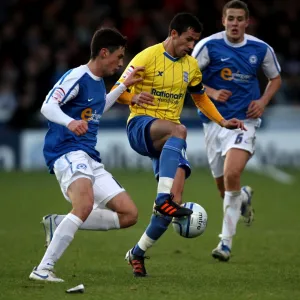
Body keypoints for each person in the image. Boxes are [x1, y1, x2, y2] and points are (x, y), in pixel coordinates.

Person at [113, 12, 246, 277]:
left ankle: (136, 254)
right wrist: (133, 97)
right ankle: (163, 199)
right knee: (180, 130)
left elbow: (200, 99)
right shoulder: (146, 57)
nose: (190, 46)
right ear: (173, 34)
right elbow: (118, 91)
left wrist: (222, 121)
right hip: (141, 127)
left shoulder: (191, 66)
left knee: (174, 202)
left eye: (195, 41)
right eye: (188, 39)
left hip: (169, 140)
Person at [29, 28, 147, 282]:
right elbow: (47, 105)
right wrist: (70, 122)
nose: (121, 62)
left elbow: (98, 107)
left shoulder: (96, 83)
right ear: (104, 53)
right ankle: (43, 268)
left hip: (89, 156)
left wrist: (125, 87)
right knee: (83, 205)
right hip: (67, 151)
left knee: (129, 215)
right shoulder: (76, 76)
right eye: (119, 56)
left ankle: (59, 223)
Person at [192, 0, 282, 262]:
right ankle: (242, 196)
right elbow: (187, 77)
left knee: (233, 173)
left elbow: (275, 79)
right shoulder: (208, 46)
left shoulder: (261, 49)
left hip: (244, 122)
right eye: (230, 18)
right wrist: (211, 92)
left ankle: (225, 244)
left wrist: (263, 101)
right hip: (214, 123)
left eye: (239, 19)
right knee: (225, 189)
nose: (234, 23)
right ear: (223, 21)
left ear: (247, 22)